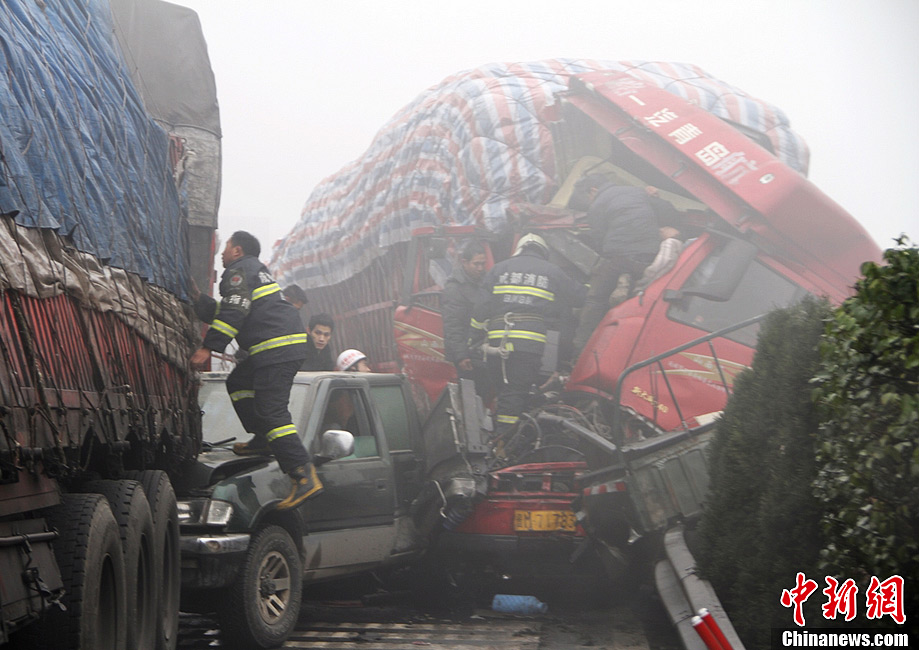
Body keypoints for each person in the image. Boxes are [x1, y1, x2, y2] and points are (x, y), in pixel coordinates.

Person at [190, 231, 322, 510]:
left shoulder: (238, 271)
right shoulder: (251, 271)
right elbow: (231, 310)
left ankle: (303, 474)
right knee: (239, 382)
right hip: (275, 348)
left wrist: (208, 347)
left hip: (278, 348)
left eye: (225, 247)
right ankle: (262, 439)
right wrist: (198, 299)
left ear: (237, 251)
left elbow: (234, 315)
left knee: (272, 411)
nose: (221, 253)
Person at [471, 233, 586, 437]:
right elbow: (579, 297)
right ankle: (505, 443)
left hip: (497, 345)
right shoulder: (552, 271)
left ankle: (503, 437)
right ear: (543, 252)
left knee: (505, 394)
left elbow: (480, 308)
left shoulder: (498, 269)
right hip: (528, 346)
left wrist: (477, 337)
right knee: (516, 394)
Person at [572, 175, 678, 352]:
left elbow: (598, 238)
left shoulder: (597, 205)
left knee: (596, 298)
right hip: (648, 255)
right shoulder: (639, 192)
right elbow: (669, 213)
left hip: (618, 257)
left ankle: (581, 348)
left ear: (593, 190)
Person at [442, 240, 488, 379]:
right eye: (476, 264)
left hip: (482, 350)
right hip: (467, 354)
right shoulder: (454, 287)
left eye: (482, 264)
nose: (480, 268)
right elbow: (453, 324)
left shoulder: (486, 282)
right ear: (464, 262)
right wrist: (461, 356)